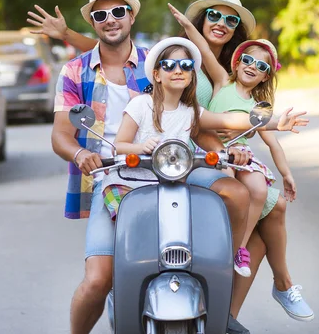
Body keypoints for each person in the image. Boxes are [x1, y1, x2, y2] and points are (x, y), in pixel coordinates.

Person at [28, 0, 309, 334]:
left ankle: (226, 287)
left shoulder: (159, 62)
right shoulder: (84, 73)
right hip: (117, 173)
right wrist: (84, 153)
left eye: (119, 12)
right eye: (101, 15)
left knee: (241, 195)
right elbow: (67, 130)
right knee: (98, 279)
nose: (111, 20)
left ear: (132, 16)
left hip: (176, 165)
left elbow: (223, 117)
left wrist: (271, 122)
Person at [169, 2, 314, 321]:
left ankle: (240, 251)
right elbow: (204, 50)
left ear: (266, 76)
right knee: (246, 188)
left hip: (241, 158)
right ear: (236, 63)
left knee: (263, 192)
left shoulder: (259, 106)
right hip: (212, 154)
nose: (251, 66)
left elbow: (271, 139)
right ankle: (245, 269)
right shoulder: (220, 80)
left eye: (260, 66)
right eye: (246, 59)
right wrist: (188, 25)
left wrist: (286, 172)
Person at [102, 37, 302, 223]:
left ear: (191, 75)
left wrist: (276, 124)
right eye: (169, 65)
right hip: (128, 182)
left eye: (186, 66)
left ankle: (230, 254)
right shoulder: (140, 104)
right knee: (134, 224)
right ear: (157, 75)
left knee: (189, 224)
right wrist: (141, 147)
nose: (178, 70)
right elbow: (118, 146)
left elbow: (229, 119)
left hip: (170, 185)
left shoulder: (190, 112)